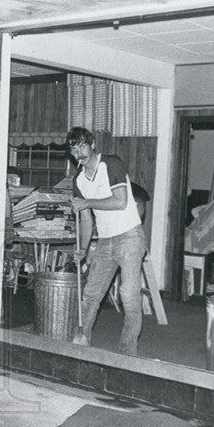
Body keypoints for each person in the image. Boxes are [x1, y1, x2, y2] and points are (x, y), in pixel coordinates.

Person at [67, 126, 147, 356]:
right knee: (91, 294)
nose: (79, 152)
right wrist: (82, 249)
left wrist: (87, 203)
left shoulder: (110, 163)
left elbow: (120, 201)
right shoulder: (79, 180)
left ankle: (127, 352)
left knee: (128, 294)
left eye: (82, 145)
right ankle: (80, 347)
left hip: (129, 236)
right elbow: (84, 218)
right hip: (105, 241)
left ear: (92, 144)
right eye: (74, 148)